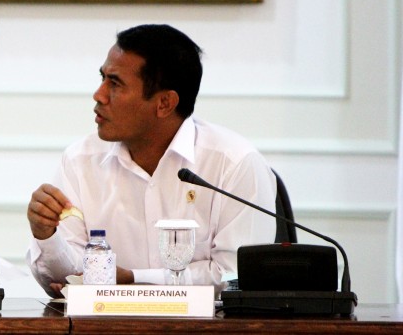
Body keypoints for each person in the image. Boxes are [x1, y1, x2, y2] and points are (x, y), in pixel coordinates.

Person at [26, 24, 276, 296]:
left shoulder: (235, 164)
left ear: (165, 103)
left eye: (115, 83)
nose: (98, 95)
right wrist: (46, 235)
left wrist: (135, 280)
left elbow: (235, 276)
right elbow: (68, 281)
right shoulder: (80, 160)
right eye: (102, 78)